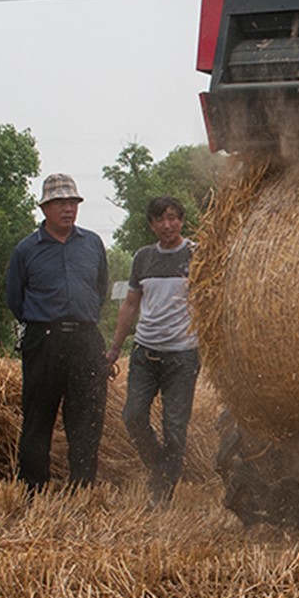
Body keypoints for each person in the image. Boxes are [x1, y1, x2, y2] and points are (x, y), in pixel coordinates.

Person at [5, 173, 110, 493]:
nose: (68, 209)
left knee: (86, 417)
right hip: (44, 340)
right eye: (60, 203)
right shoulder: (26, 250)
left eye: (72, 202)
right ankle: (34, 488)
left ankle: (82, 487)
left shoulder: (92, 243)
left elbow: (100, 289)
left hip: (85, 338)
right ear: (45, 208)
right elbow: (15, 298)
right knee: (39, 417)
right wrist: (44, 325)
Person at [106, 195, 201, 506]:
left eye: (173, 217)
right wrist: (115, 348)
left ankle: (162, 489)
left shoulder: (197, 255)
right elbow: (131, 304)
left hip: (182, 354)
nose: (167, 225)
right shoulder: (143, 258)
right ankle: (160, 467)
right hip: (145, 352)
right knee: (133, 416)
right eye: (160, 219)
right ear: (151, 224)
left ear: (182, 220)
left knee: (175, 427)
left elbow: (211, 302)